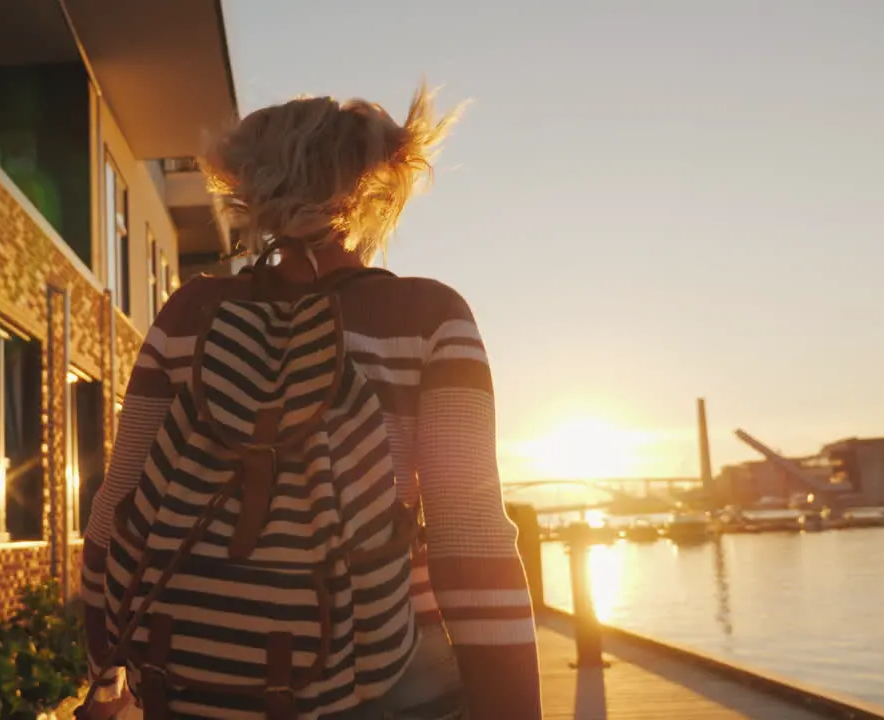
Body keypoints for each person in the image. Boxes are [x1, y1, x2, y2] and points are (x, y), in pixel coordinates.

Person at [81, 85, 542, 719]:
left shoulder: (190, 312)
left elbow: (115, 511)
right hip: (390, 675)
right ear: (372, 185)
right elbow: (471, 539)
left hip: (194, 676)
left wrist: (105, 678)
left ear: (248, 188)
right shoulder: (431, 315)